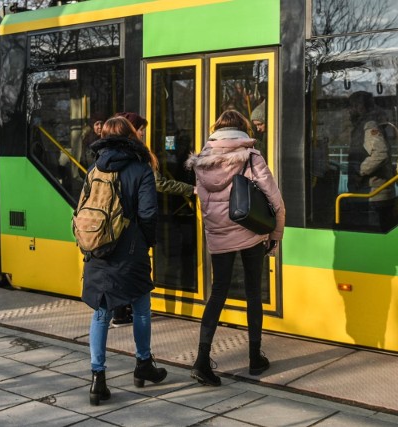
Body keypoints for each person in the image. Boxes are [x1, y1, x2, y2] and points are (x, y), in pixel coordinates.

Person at [185, 109, 285, 386]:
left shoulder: (202, 161)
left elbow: (202, 199)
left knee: (218, 292)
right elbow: (274, 199)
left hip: (218, 235)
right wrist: (275, 234)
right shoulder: (251, 156)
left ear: (216, 130)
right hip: (250, 231)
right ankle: (255, 358)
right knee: (254, 292)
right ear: (243, 129)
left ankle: (202, 360)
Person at [81, 116, 167, 406]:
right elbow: (148, 213)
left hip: (98, 250)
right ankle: (143, 365)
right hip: (131, 250)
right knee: (141, 307)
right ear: (131, 136)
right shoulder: (141, 168)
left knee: (101, 313)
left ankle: (98, 379)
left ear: (105, 136)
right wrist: (146, 243)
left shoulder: (94, 168)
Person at [110, 112, 196, 327]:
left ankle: (119, 311)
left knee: (121, 267)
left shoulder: (109, 157)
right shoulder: (139, 156)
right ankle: (124, 314)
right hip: (135, 222)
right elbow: (158, 184)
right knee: (133, 268)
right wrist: (190, 189)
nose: (143, 133)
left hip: (121, 221)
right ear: (131, 129)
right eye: (140, 129)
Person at [345, 91, 396, 231]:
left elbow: (380, 153)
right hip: (371, 194)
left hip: (374, 196)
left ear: (360, 107)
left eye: (352, 106)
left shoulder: (369, 125)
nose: (349, 110)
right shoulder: (364, 125)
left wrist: (359, 171)